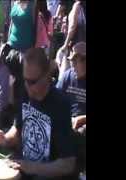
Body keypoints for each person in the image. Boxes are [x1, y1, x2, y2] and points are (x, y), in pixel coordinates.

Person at [0, 48, 77, 180]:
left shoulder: (61, 105)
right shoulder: (25, 93)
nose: (27, 86)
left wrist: (32, 167)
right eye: (25, 79)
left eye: (32, 82)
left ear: (47, 75)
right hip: (22, 168)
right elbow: (17, 128)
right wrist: (5, 139)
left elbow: (68, 164)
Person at [56, 42, 86, 175]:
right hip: (66, 118)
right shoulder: (67, 76)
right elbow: (54, 98)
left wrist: (81, 119)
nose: (72, 65)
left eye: (76, 61)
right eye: (71, 60)